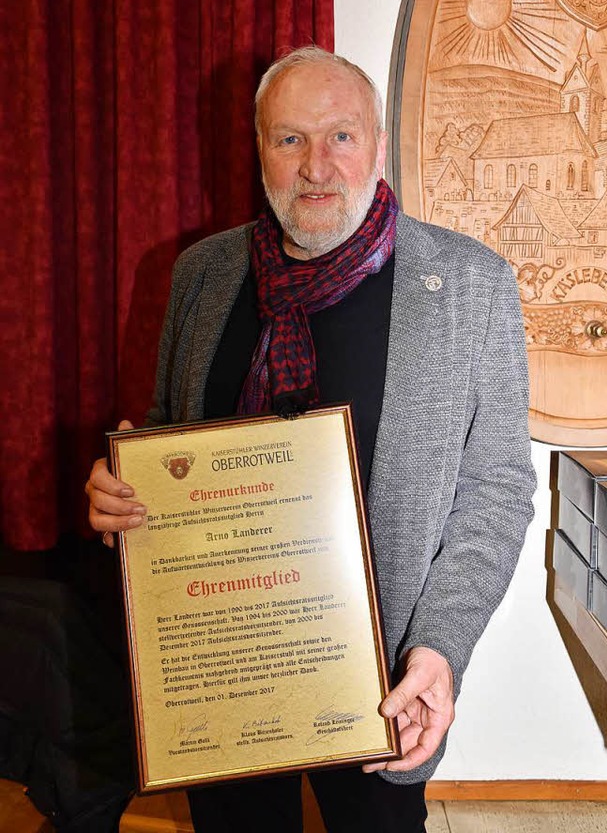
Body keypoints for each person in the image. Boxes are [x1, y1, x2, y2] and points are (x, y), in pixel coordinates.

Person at [86, 46, 536, 832]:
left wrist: (439, 645)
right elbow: (166, 436)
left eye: (341, 136)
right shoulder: (202, 274)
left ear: (379, 145)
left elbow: (498, 487)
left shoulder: (472, 285)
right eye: (289, 138)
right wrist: (124, 493)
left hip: (382, 679)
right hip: (223, 673)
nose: (316, 166)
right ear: (259, 148)